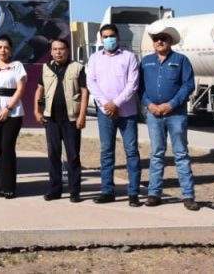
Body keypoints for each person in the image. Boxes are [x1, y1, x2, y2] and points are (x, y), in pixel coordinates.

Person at [142, 24, 199, 211]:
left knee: (181, 154)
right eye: (156, 38)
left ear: (170, 41)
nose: (159, 41)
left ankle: (188, 196)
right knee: (156, 154)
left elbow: (188, 85)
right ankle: (154, 193)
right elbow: (140, 88)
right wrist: (150, 105)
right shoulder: (146, 61)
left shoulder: (181, 60)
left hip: (176, 115)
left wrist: (170, 105)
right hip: (154, 115)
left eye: (163, 38)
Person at [86, 23, 142, 206]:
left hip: (128, 113)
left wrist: (116, 103)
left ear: (117, 37)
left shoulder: (129, 57)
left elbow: (133, 85)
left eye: (112, 36)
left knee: (131, 152)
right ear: (100, 39)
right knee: (107, 152)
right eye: (105, 36)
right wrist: (106, 105)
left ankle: (133, 192)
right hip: (105, 113)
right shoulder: (94, 58)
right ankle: (107, 191)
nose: (109, 39)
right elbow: (91, 83)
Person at [34, 37, 88, 203]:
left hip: (71, 119)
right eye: (55, 49)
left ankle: (74, 191)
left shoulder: (77, 68)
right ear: (51, 52)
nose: (58, 52)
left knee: (72, 156)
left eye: (61, 49)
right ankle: (54, 190)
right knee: (53, 155)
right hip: (52, 119)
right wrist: (36, 110)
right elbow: (39, 89)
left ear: (67, 51)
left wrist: (82, 115)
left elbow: (84, 92)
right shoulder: (46, 68)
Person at [0, 34, 27, 198]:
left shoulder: (16, 65)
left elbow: (21, 88)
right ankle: (1, 185)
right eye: (0, 47)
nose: (3, 50)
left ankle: (10, 187)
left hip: (12, 112)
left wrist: (8, 109)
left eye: (7, 47)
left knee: (7, 148)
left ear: (10, 51)